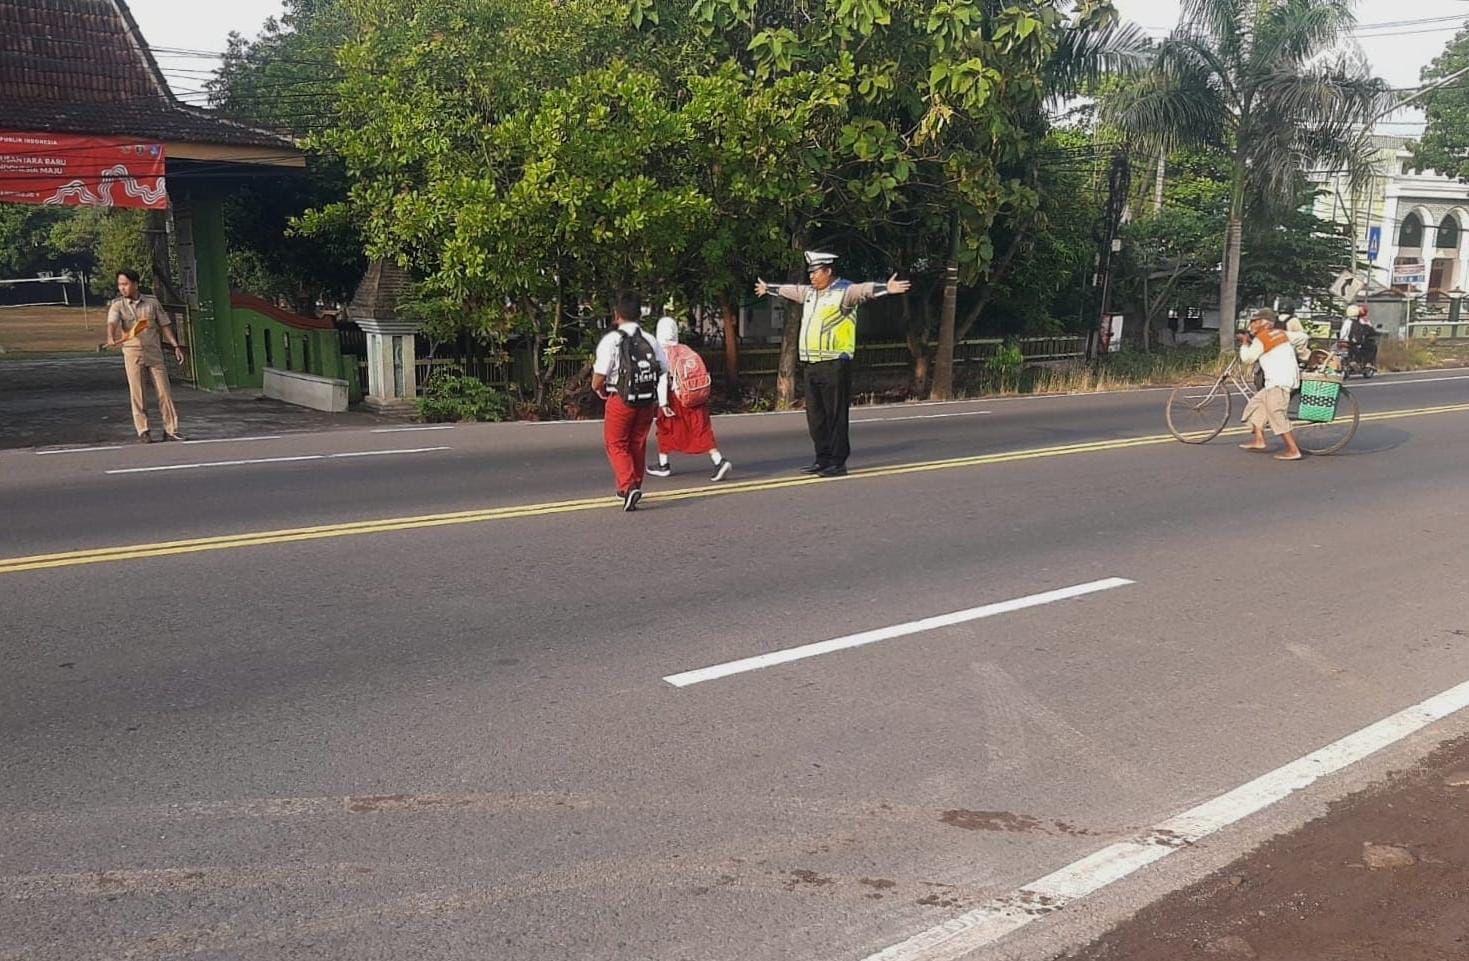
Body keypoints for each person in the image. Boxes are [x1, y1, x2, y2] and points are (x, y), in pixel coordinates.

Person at [754, 251, 911, 477]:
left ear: (828, 271)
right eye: (810, 273)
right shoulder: (809, 294)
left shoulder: (843, 292)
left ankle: (838, 462)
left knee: (836, 415)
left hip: (835, 363)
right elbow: (789, 290)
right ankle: (822, 458)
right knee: (816, 417)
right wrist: (768, 288)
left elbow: (864, 290)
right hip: (811, 365)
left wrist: (887, 288)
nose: (812, 277)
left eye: (816, 273)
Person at [592, 292, 667, 512]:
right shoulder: (650, 339)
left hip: (620, 400)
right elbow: (663, 368)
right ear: (639, 315)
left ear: (617, 315)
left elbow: (599, 376)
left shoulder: (611, 340)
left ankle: (629, 485)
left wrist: (597, 389)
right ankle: (631, 485)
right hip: (646, 400)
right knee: (637, 442)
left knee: (616, 443)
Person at [645, 315, 733, 482]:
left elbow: (663, 379)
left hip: (676, 399)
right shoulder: (685, 349)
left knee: (665, 428)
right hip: (695, 396)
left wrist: (663, 403)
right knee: (701, 429)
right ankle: (718, 460)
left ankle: (664, 464)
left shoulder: (662, 353)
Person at [104, 269, 185, 442]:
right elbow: (112, 322)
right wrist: (111, 337)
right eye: (120, 285)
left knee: (164, 392)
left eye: (125, 284)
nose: (122, 288)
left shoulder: (152, 303)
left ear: (135, 283)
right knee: (138, 393)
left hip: (154, 352)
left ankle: (171, 429)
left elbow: (164, 325)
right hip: (132, 352)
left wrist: (175, 345)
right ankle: (143, 430)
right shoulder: (118, 305)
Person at [1237, 309, 1303, 461]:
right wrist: (1299, 351)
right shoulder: (1281, 334)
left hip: (1279, 382)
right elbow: (1303, 337)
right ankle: (1259, 440)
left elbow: (1248, 359)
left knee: (1275, 413)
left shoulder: (1262, 338)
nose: (1252, 325)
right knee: (1257, 404)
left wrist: (1245, 344)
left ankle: (1293, 450)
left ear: (1264, 323)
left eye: (1255, 321)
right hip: (1280, 380)